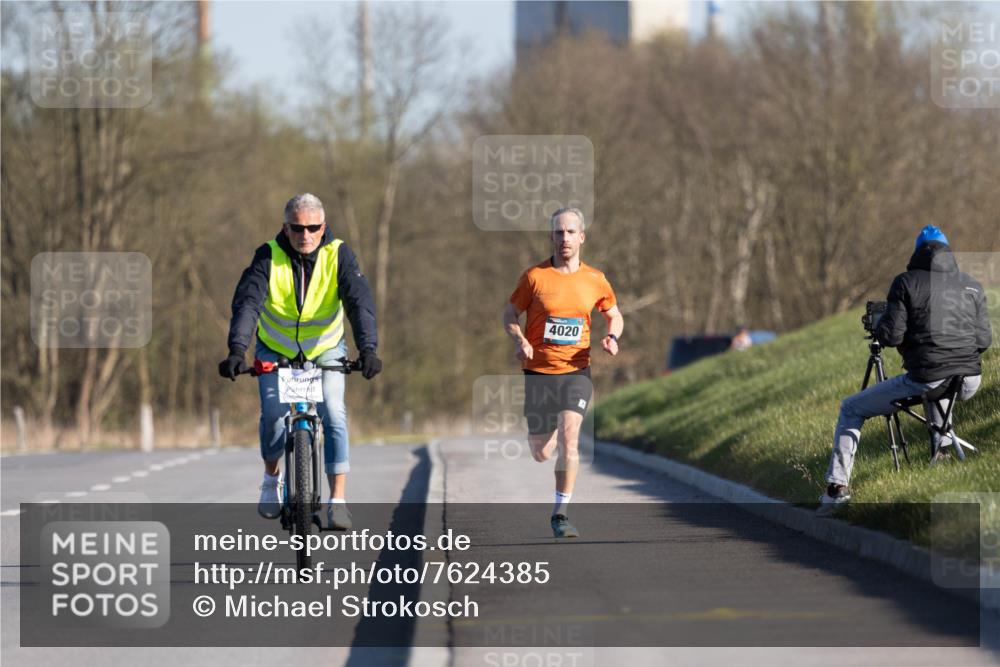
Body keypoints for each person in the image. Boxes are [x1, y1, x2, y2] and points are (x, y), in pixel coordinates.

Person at [218, 193, 381, 529]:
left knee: (333, 410)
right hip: (275, 348)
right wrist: (237, 349)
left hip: (325, 347)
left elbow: (359, 303)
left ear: (323, 228)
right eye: (296, 228)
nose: (304, 235)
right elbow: (248, 304)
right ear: (285, 227)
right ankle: (270, 478)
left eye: (312, 227)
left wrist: (368, 350)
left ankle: (338, 501)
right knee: (275, 414)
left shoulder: (339, 255)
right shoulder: (268, 256)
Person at [820, 225, 992, 513]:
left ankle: (837, 490)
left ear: (917, 252)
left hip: (930, 378)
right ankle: (942, 455)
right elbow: (984, 340)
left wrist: (889, 323)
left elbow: (891, 337)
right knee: (940, 382)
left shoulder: (906, 283)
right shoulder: (971, 285)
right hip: (969, 379)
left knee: (851, 408)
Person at [502, 207, 624, 538]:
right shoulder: (535, 278)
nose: (564, 238)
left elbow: (615, 314)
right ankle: (551, 431)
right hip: (539, 373)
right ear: (551, 237)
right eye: (558, 233)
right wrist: (520, 339)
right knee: (541, 453)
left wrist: (612, 336)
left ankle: (561, 513)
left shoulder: (595, 279)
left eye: (571, 232)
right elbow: (510, 314)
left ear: (582, 237)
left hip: (576, 371)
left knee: (571, 438)